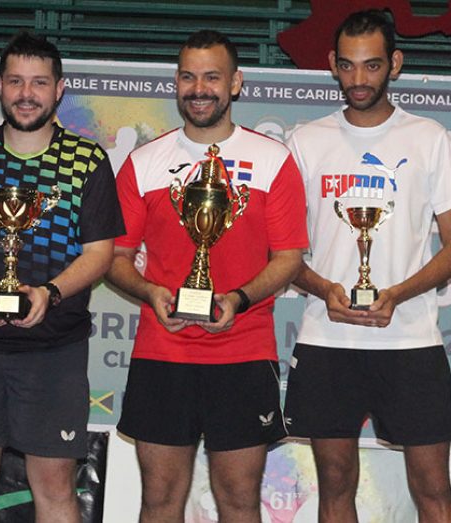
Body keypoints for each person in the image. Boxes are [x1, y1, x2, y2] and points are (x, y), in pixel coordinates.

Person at [106, 30, 307, 522]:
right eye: (188, 76)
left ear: (235, 83)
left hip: (244, 352)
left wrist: (238, 298)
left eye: (212, 77)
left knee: (238, 501)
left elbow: (289, 257)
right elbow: (114, 258)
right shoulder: (145, 162)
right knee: (159, 501)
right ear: (176, 82)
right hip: (163, 352)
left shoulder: (272, 160)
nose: (199, 88)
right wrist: (151, 291)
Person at [0, 31, 124, 522]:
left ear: (59, 89)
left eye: (38, 82)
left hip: (53, 351)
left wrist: (51, 292)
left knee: (55, 486)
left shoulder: (87, 161)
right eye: (15, 81)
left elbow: (100, 253)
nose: (26, 93)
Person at [283, 10, 451, 522]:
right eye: (347, 66)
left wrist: (398, 294)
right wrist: (324, 289)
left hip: (409, 340)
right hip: (328, 339)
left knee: (433, 489)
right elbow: (282, 253)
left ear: (395, 64)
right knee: (336, 486)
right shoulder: (306, 140)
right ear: (332, 65)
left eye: (370, 66)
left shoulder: (427, 136)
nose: (358, 79)